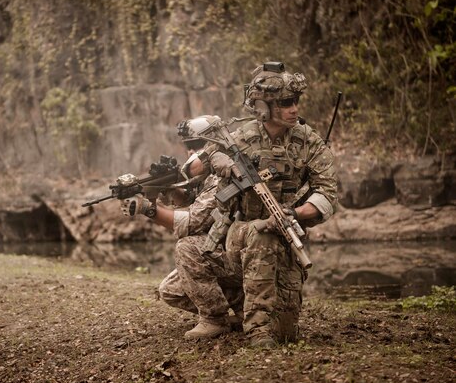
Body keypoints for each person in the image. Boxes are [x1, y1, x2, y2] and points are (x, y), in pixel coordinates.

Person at [196, 62, 338, 347]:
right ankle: (256, 332)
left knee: (286, 332)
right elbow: (203, 161)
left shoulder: (308, 141)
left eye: (296, 101)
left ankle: (254, 318)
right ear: (263, 106)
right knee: (261, 233)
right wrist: (221, 162)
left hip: (285, 232)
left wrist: (295, 212)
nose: (294, 108)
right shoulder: (240, 138)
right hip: (241, 234)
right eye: (286, 103)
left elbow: (327, 194)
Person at [120, 115, 244, 339]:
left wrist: (149, 209)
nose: (191, 152)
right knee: (171, 290)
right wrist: (169, 189)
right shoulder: (208, 177)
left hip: (245, 258)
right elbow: (196, 208)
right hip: (228, 253)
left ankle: (215, 319)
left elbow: (194, 222)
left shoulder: (224, 176)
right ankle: (241, 308)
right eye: (188, 147)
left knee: (187, 247)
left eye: (197, 145)